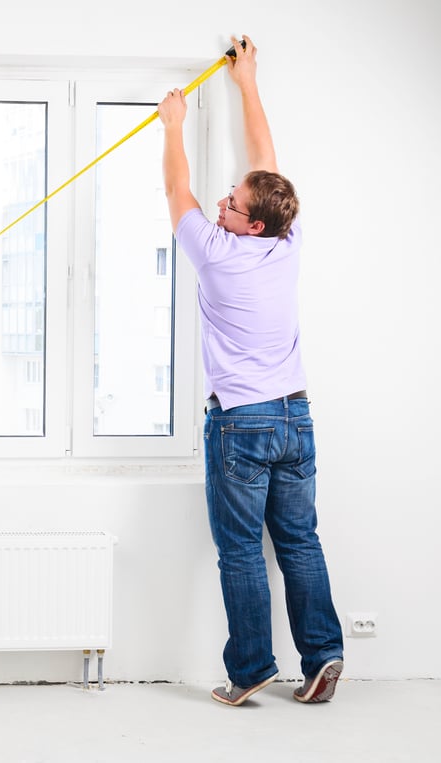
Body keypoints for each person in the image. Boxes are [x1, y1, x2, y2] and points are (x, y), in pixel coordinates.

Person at [157, 36, 344, 706]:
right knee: (297, 540)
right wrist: (246, 82)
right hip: (295, 418)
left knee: (239, 550)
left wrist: (173, 126)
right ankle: (321, 655)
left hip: (240, 423)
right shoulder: (282, 242)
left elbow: (174, 185)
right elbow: (266, 164)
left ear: (253, 225)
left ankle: (250, 669)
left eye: (232, 205)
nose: (219, 204)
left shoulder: (213, 252)